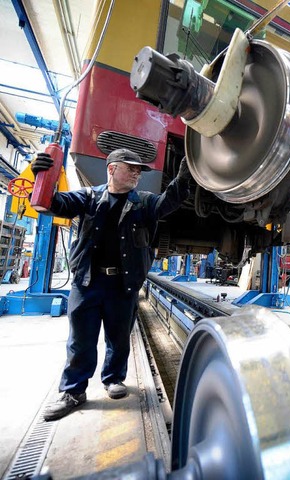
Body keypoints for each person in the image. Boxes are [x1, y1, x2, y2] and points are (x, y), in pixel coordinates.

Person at [30, 148, 192, 421]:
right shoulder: (89, 197)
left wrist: (185, 177)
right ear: (111, 169)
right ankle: (73, 391)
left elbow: (170, 201)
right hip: (87, 282)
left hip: (123, 284)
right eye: (131, 167)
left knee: (118, 338)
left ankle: (113, 378)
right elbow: (54, 203)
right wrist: (41, 176)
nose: (136, 173)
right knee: (81, 341)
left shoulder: (144, 203)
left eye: (139, 170)